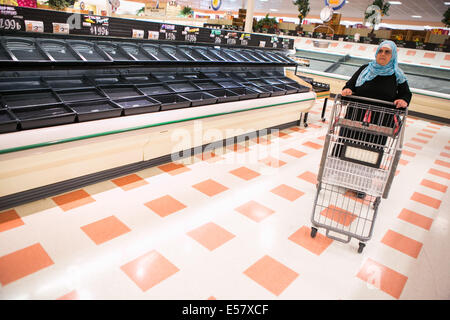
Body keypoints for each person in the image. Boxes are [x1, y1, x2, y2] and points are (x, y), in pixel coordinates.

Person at [336, 40, 412, 198]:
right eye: (380, 51)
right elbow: (349, 85)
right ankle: (341, 175)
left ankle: (362, 184)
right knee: (347, 144)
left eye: (387, 52)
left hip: (380, 122)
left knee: (370, 152)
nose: (382, 54)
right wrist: (348, 90)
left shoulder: (397, 75)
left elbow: (406, 94)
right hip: (355, 116)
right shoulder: (365, 69)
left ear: (393, 55)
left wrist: (403, 100)